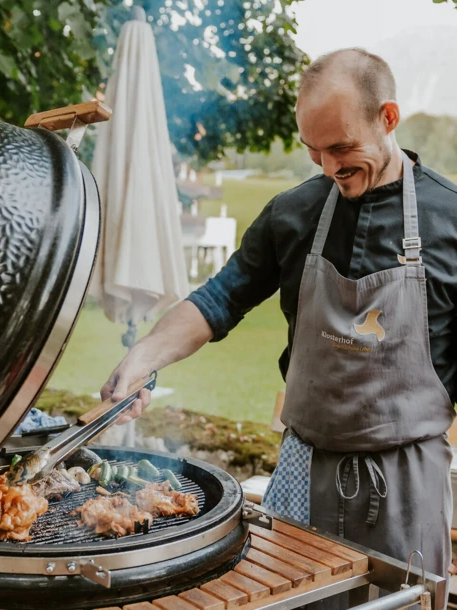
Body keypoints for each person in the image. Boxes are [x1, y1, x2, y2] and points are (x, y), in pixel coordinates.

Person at [101, 47, 457, 596]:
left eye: (342, 148)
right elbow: (219, 299)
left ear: (388, 118)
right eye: (314, 152)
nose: (330, 169)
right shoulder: (293, 212)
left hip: (406, 485)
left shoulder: (450, 221)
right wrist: (141, 358)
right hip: (303, 467)